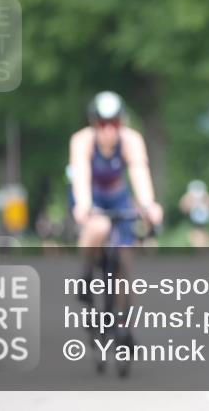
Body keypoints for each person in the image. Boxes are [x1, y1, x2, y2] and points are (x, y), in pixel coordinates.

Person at [69, 91, 163, 324]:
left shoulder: (131, 140)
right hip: (92, 197)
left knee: (125, 260)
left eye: (114, 123)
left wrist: (149, 205)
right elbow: (80, 173)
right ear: (94, 123)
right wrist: (83, 204)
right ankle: (87, 273)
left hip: (118, 197)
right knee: (98, 227)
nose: (109, 130)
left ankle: (125, 321)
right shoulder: (82, 141)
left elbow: (139, 172)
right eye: (102, 123)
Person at [179, 179, 209, 247]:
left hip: (200, 218)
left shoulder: (204, 196)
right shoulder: (192, 196)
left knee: (199, 232)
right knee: (198, 232)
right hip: (195, 218)